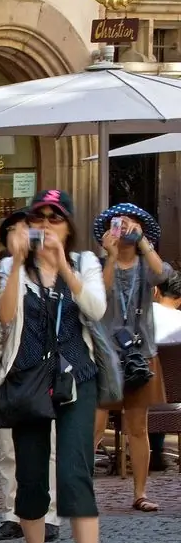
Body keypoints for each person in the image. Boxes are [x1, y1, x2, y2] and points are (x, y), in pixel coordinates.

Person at [0, 195, 106, 543]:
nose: (45, 225)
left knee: (76, 473)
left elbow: (95, 309)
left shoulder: (86, 262)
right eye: (37, 218)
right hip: (28, 380)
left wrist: (64, 267)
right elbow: (4, 319)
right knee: (32, 477)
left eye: (54, 219)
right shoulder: (11, 267)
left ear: (68, 225)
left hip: (77, 377)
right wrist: (17, 263)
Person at [92, 204, 174, 512]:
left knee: (138, 428)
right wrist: (111, 256)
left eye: (130, 223)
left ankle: (140, 493)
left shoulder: (145, 263)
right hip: (106, 355)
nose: (123, 227)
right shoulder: (98, 263)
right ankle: (81, 491)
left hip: (140, 355)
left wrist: (143, 243)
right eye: (118, 223)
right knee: (95, 426)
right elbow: (102, 292)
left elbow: (163, 274)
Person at [0, 206, 60, 543]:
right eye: (15, 230)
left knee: (50, 442)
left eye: (28, 229)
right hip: (4, 363)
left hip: (47, 365)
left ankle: (50, 514)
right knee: (8, 445)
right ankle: (11, 512)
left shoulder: (55, 266)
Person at [150, 272, 181, 470]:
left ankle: (154, 450)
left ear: (155, 291)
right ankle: (157, 451)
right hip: (177, 400)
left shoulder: (143, 318)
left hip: (143, 395)